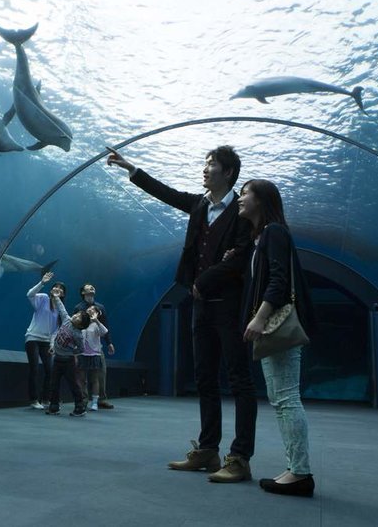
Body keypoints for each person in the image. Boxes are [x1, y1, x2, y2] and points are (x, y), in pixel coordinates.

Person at [107, 146, 256, 483]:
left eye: (212, 164)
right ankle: (208, 449)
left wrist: (203, 279)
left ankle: (240, 457)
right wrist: (132, 169)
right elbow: (166, 193)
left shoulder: (243, 212)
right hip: (201, 306)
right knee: (204, 378)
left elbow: (240, 257)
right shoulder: (199, 204)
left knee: (239, 379)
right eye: (205, 163)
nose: (205, 169)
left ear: (229, 172)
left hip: (230, 305)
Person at [237, 179, 316, 497]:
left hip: (276, 324)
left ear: (262, 200)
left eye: (245, 194)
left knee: (286, 399)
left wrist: (259, 317)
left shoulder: (275, 232)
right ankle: (295, 468)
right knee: (282, 399)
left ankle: (300, 473)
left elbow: (280, 279)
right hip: (271, 325)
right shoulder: (260, 238)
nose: (240, 199)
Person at [45, 290, 93, 417]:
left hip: (68, 361)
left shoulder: (77, 334)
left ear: (81, 325)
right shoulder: (66, 319)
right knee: (53, 383)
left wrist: (72, 351)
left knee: (73, 384)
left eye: (78, 318)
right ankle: (54, 406)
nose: (75, 316)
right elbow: (61, 308)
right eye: (76, 315)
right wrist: (56, 297)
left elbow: (81, 349)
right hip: (57, 359)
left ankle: (80, 407)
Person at [74, 284, 116, 409]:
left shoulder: (100, 307)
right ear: (83, 292)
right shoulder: (78, 307)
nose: (92, 288)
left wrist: (109, 342)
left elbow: (105, 326)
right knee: (82, 376)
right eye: (88, 287)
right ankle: (84, 399)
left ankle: (101, 399)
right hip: (82, 347)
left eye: (93, 287)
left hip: (96, 348)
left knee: (101, 373)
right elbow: (75, 325)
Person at [25, 271, 62, 409]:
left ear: (63, 294)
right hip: (33, 338)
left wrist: (52, 345)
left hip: (47, 342)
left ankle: (46, 399)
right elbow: (29, 294)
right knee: (34, 368)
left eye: (61, 289)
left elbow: (55, 331)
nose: (57, 289)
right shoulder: (43, 298)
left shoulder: (60, 309)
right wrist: (42, 283)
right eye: (55, 287)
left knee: (50, 370)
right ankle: (34, 400)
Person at [80, 305, 109, 411]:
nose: (90, 310)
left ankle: (95, 402)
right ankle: (83, 400)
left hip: (94, 355)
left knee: (94, 379)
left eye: (93, 310)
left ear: (97, 313)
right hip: (82, 354)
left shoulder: (97, 325)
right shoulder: (82, 323)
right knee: (82, 379)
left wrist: (96, 320)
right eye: (89, 309)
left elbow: (104, 332)